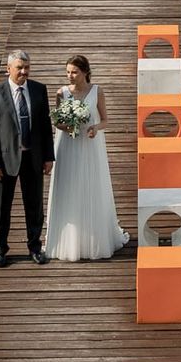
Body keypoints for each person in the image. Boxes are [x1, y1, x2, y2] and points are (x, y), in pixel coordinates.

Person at [45, 55, 129, 262]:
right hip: (68, 145)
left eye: (74, 72)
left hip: (90, 146)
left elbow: (105, 120)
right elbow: (57, 122)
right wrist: (68, 126)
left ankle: (93, 238)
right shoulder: (61, 93)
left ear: (85, 72)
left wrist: (95, 128)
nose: (70, 76)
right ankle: (68, 239)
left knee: (90, 185)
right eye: (68, 72)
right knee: (69, 187)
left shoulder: (97, 91)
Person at [0, 50, 55, 267]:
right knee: (1, 207)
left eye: (27, 68)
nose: (24, 72)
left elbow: (44, 126)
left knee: (34, 206)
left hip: (33, 157)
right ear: (8, 69)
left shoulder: (39, 90)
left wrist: (48, 157)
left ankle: (35, 247)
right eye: (19, 68)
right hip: (5, 161)